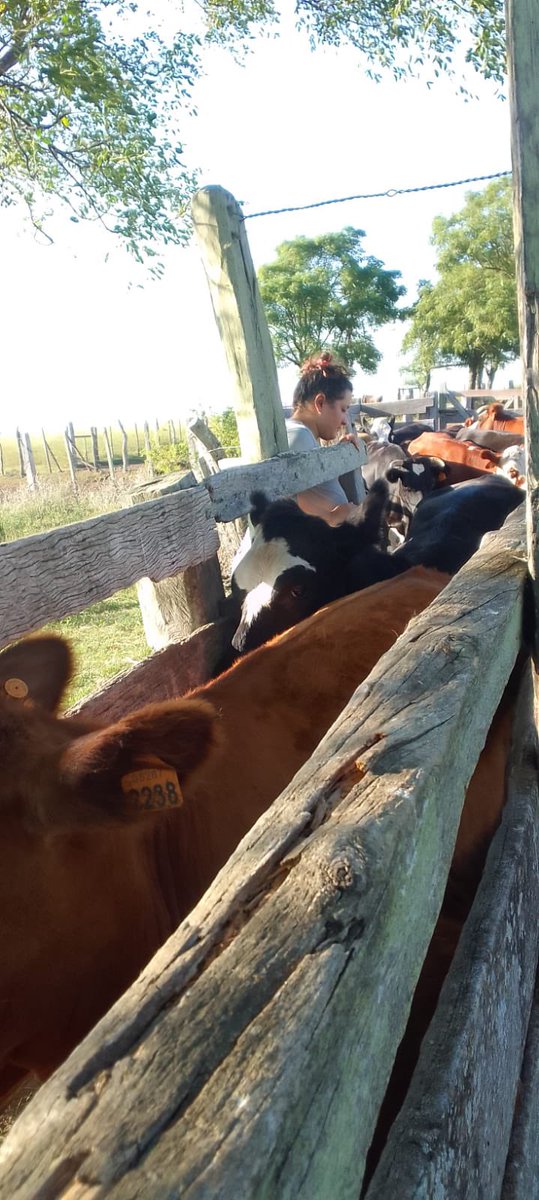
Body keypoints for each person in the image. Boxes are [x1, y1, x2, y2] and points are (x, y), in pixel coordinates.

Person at [286, 351, 366, 526]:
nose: (345, 420)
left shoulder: (302, 435)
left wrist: (336, 455)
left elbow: (310, 491)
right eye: (343, 409)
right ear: (320, 403)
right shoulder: (297, 436)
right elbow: (280, 501)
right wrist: (331, 517)